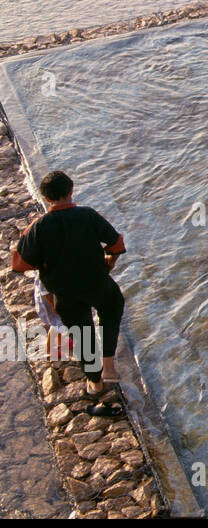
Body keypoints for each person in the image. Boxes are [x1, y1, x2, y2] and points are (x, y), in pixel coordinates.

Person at [10, 171, 126, 416]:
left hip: (64, 292)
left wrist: (28, 237)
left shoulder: (39, 227)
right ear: (71, 191)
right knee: (111, 309)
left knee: (82, 333)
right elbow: (117, 244)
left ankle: (95, 383)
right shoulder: (87, 215)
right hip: (96, 283)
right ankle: (109, 367)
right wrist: (110, 261)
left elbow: (19, 264)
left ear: (45, 197)